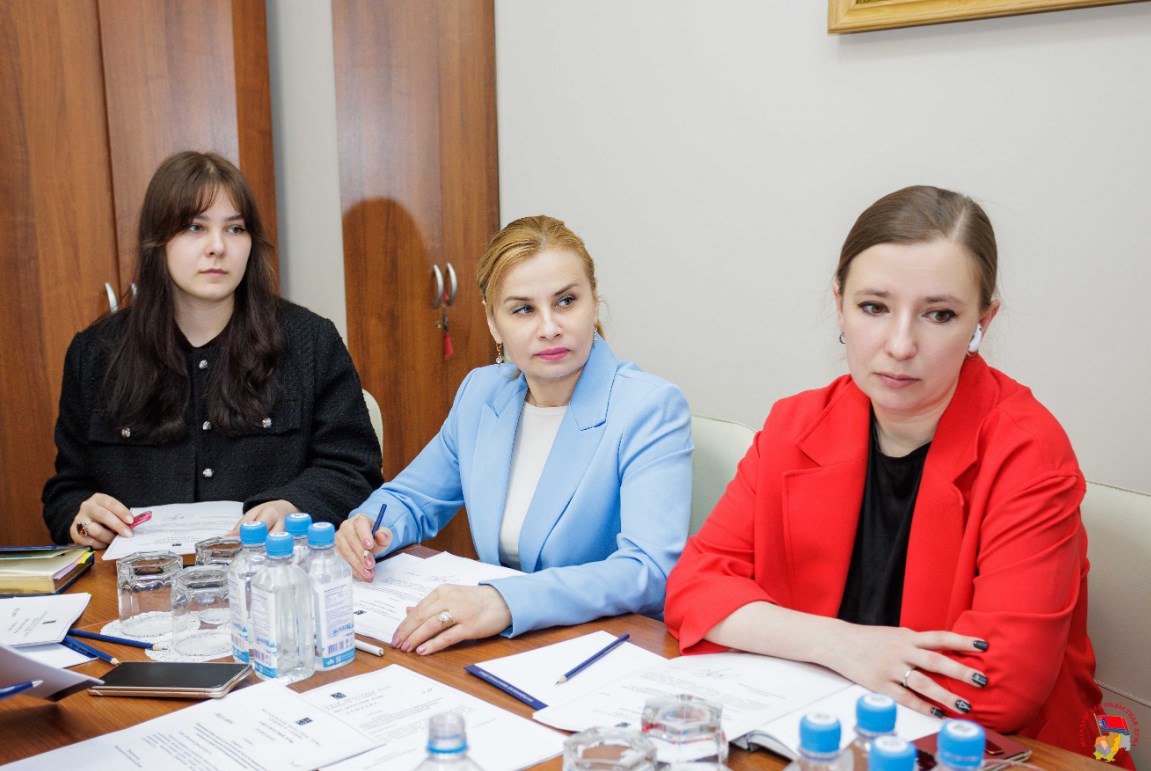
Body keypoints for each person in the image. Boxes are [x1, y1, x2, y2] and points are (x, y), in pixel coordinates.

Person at [665, 186, 1104, 755]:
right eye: (874, 307)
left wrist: (776, 636)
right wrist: (841, 644)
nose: (900, 345)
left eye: (939, 314)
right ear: (840, 303)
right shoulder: (795, 425)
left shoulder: (1030, 453)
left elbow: (995, 690)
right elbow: (692, 590)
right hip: (814, 740)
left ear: (982, 321)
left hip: (994, 754)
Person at [336, 215, 692, 654]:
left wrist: (505, 600)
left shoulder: (650, 408)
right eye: (523, 309)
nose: (549, 327)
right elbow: (412, 498)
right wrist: (367, 527)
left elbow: (649, 570)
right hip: (503, 645)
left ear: (594, 302)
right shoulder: (482, 393)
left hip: (604, 647)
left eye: (566, 301)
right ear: (493, 322)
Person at [42, 151, 383, 547]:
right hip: (142, 576)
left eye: (235, 229)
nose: (217, 247)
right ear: (157, 241)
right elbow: (66, 490)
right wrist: (82, 517)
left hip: (269, 567)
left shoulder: (310, 341)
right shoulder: (94, 354)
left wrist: (293, 505)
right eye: (194, 227)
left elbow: (354, 469)